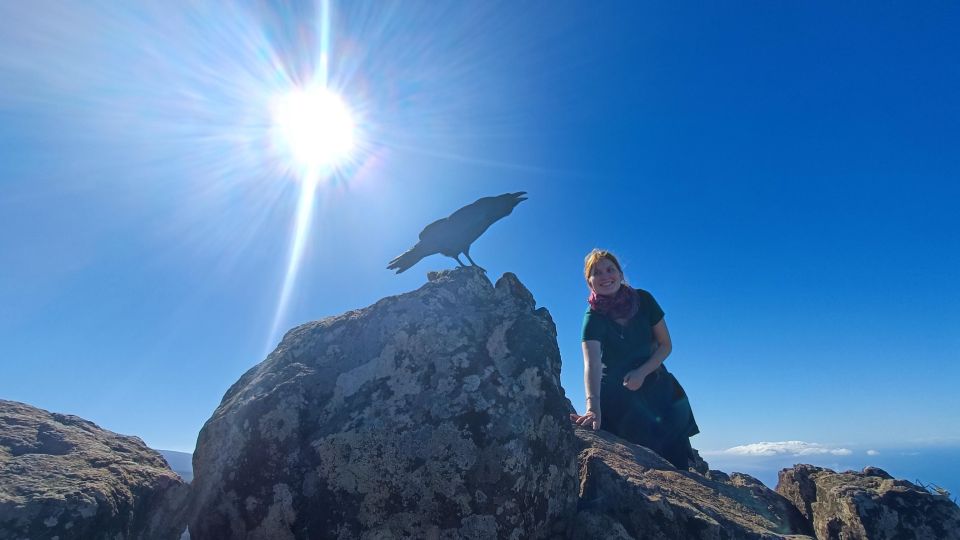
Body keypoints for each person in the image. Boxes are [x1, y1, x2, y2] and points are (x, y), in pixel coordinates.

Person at [569, 248, 699, 469]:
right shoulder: (593, 316)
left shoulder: (644, 300)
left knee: (675, 463)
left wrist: (642, 372)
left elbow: (665, 345)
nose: (605, 276)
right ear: (590, 282)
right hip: (618, 397)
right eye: (597, 273)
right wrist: (593, 407)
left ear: (620, 274)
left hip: (657, 389)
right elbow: (591, 364)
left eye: (610, 270)